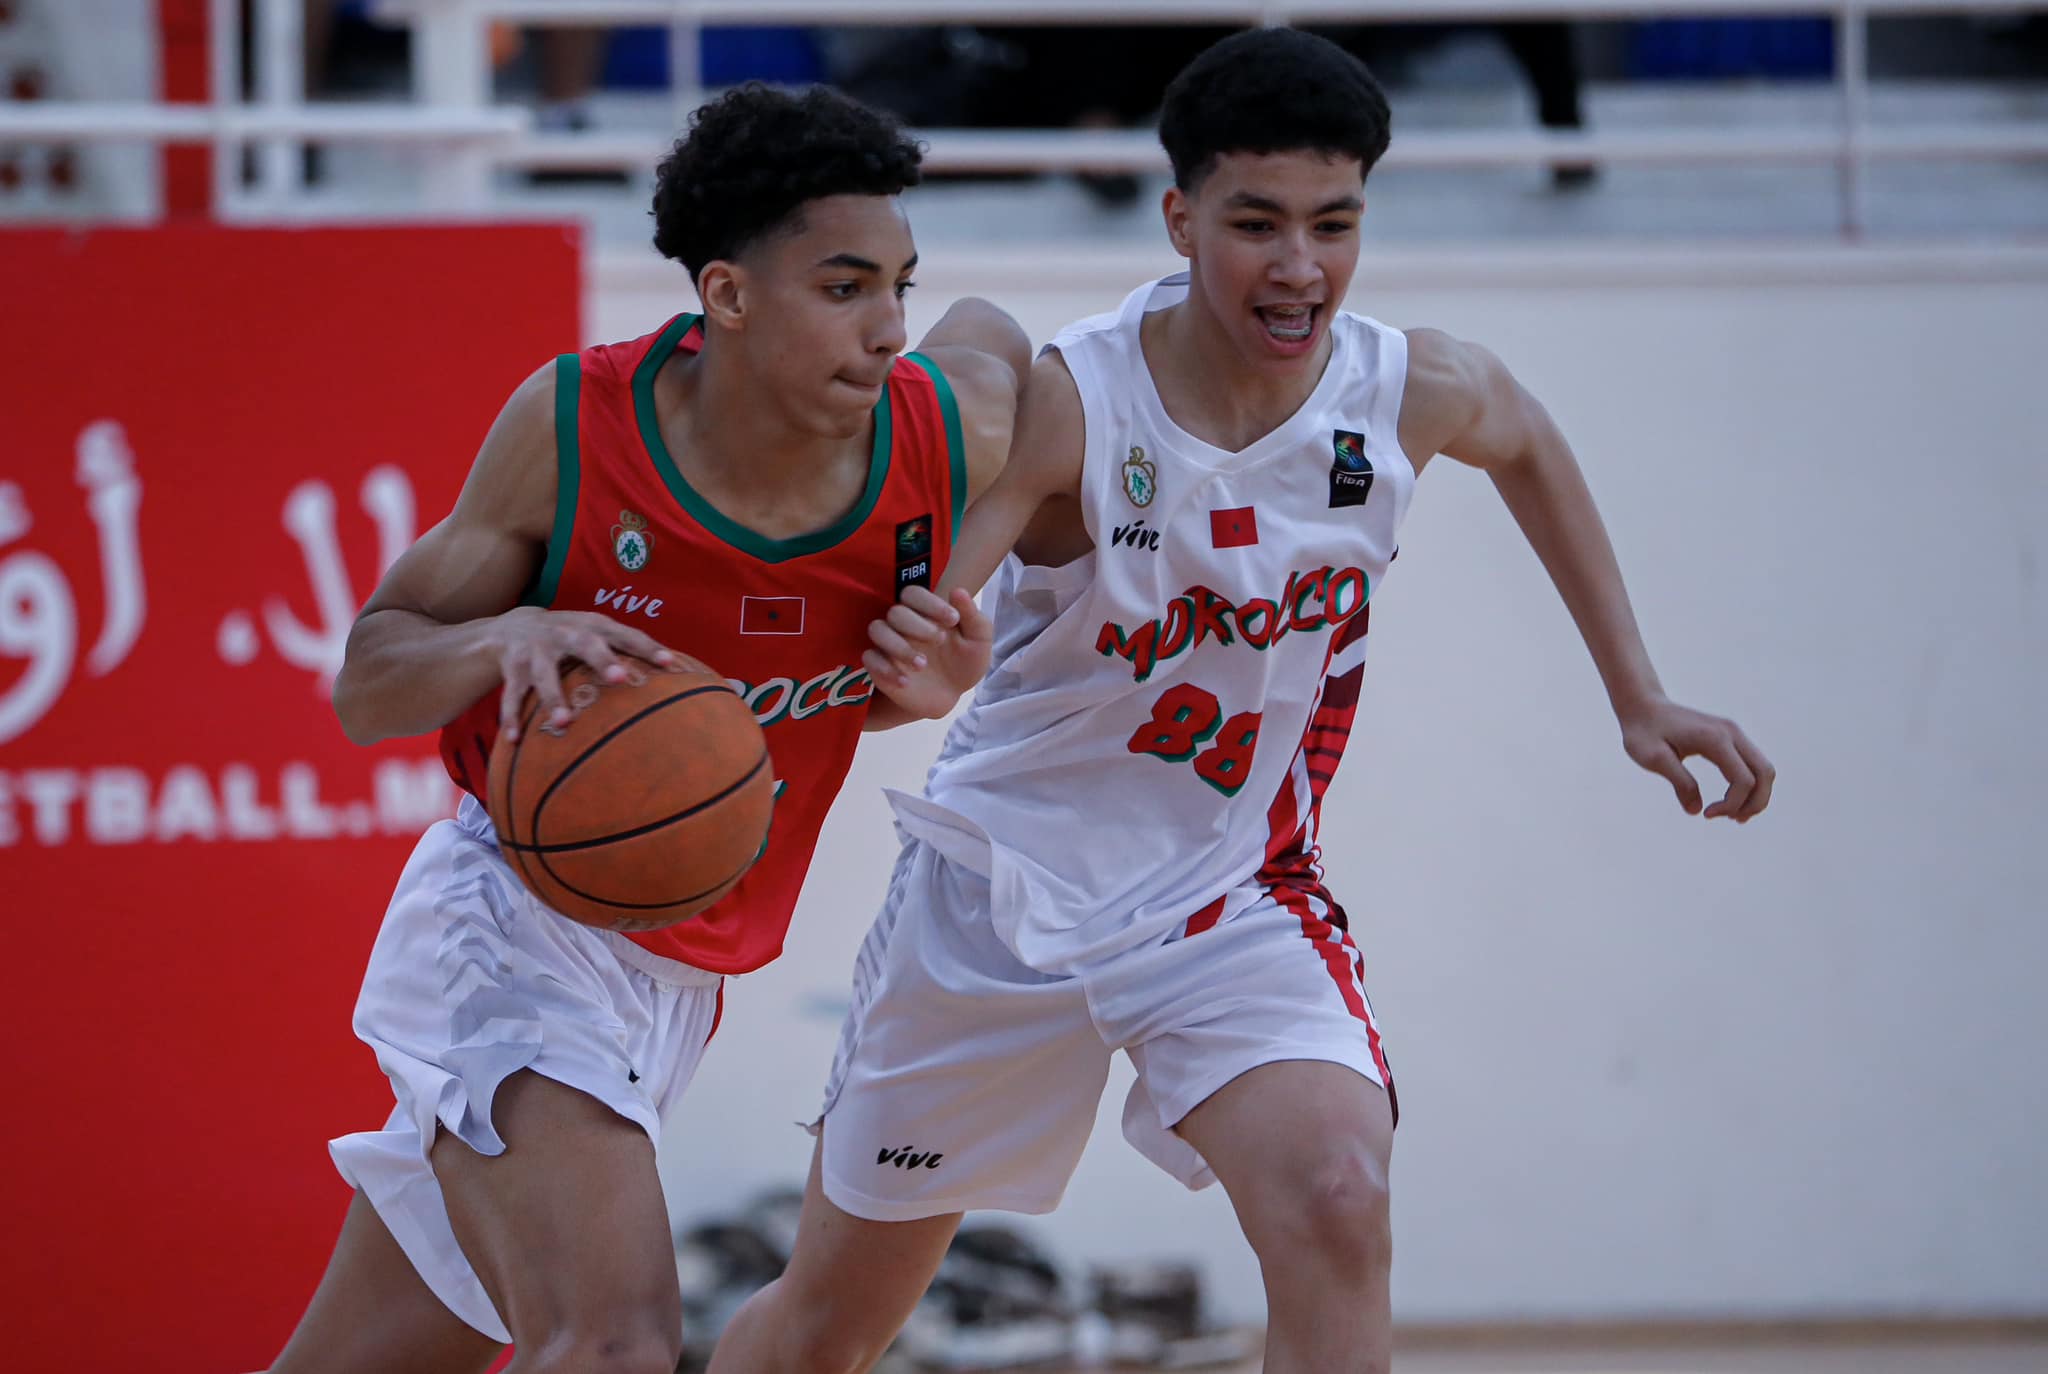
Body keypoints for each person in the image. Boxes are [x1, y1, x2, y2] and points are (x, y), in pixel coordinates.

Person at [707, 28, 1774, 1374]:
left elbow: (1527, 439)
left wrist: (1640, 694)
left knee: (1341, 1195)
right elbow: (918, 661)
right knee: (828, 1328)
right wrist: (917, 678)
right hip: (1001, 894)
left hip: (1230, 893)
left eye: (1335, 223)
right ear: (1181, 220)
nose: (1299, 265)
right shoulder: (1076, 405)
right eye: (1257, 223)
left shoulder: (1405, 390)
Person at [266, 82, 1027, 1374]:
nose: (888, 327)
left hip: (676, 974)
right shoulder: (577, 429)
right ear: (726, 294)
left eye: (899, 285)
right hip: (511, 921)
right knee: (614, 1339)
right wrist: (499, 636)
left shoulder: (939, 432)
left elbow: (993, 335)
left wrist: (943, 646)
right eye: (843, 288)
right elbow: (368, 684)